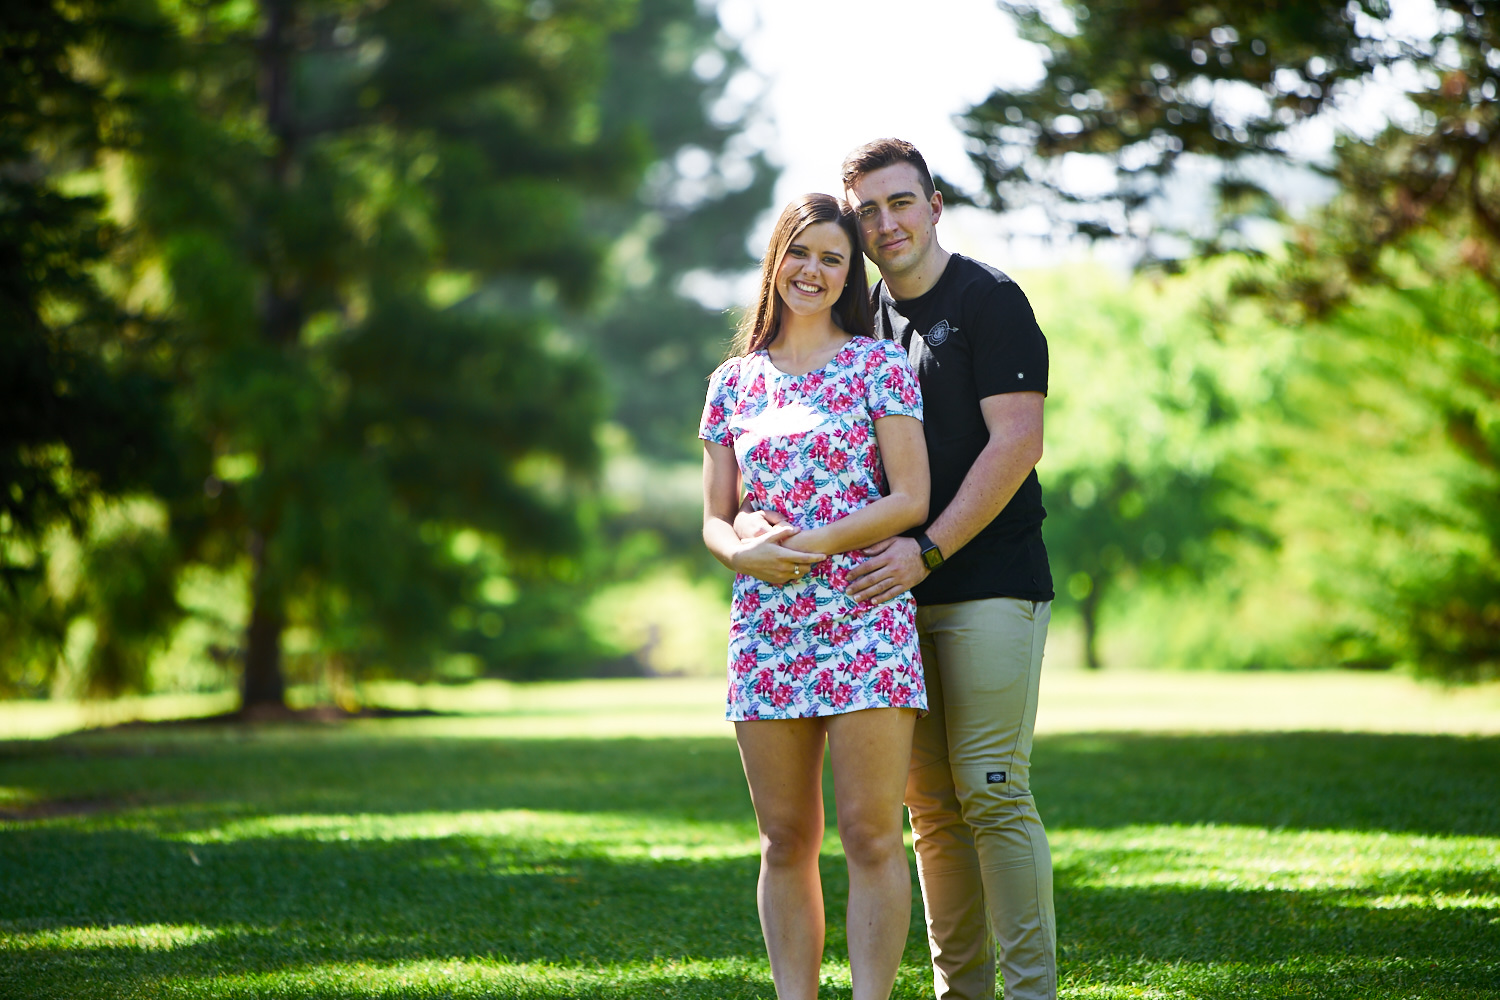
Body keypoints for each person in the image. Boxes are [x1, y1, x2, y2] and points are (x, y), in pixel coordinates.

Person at [747, 141, 1057, 999]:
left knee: (992, 792)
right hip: (882, 607)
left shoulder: (989, 300)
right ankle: (962, 992)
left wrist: (928, 549)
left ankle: (1030, 994)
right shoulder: (869, 320)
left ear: (935, 204)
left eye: (901, 203)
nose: (887, 223)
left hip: (985, 580)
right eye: (870, 210)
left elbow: (1018, 443)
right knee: (928, 816)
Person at [699, 192, 931, 1000]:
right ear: (777, 260)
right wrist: (744, 555)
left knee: (871, 835)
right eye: (802, 253)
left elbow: (910, 498)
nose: (815, 271)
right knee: (784, 838)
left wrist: (812, 543)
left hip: (866, 618)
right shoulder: (732, 383)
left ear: (851, 275)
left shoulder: (879, 365)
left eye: (834, 259)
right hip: (767, 629)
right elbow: (715, 520)